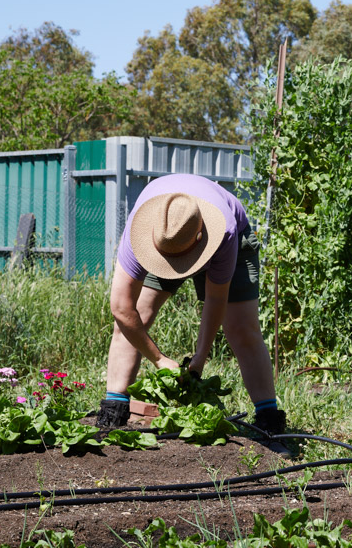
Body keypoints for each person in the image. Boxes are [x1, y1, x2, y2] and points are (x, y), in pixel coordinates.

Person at [94, 173, 285, 435]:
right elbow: (121, 308)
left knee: (241, 328)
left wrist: (199, 359)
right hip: (168, 239)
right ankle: (113, 412)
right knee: (134, 321)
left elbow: (216, 298)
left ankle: (269, 421)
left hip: (225, 241)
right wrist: (159, 360)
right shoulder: (142, 230)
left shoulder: (226, 231)